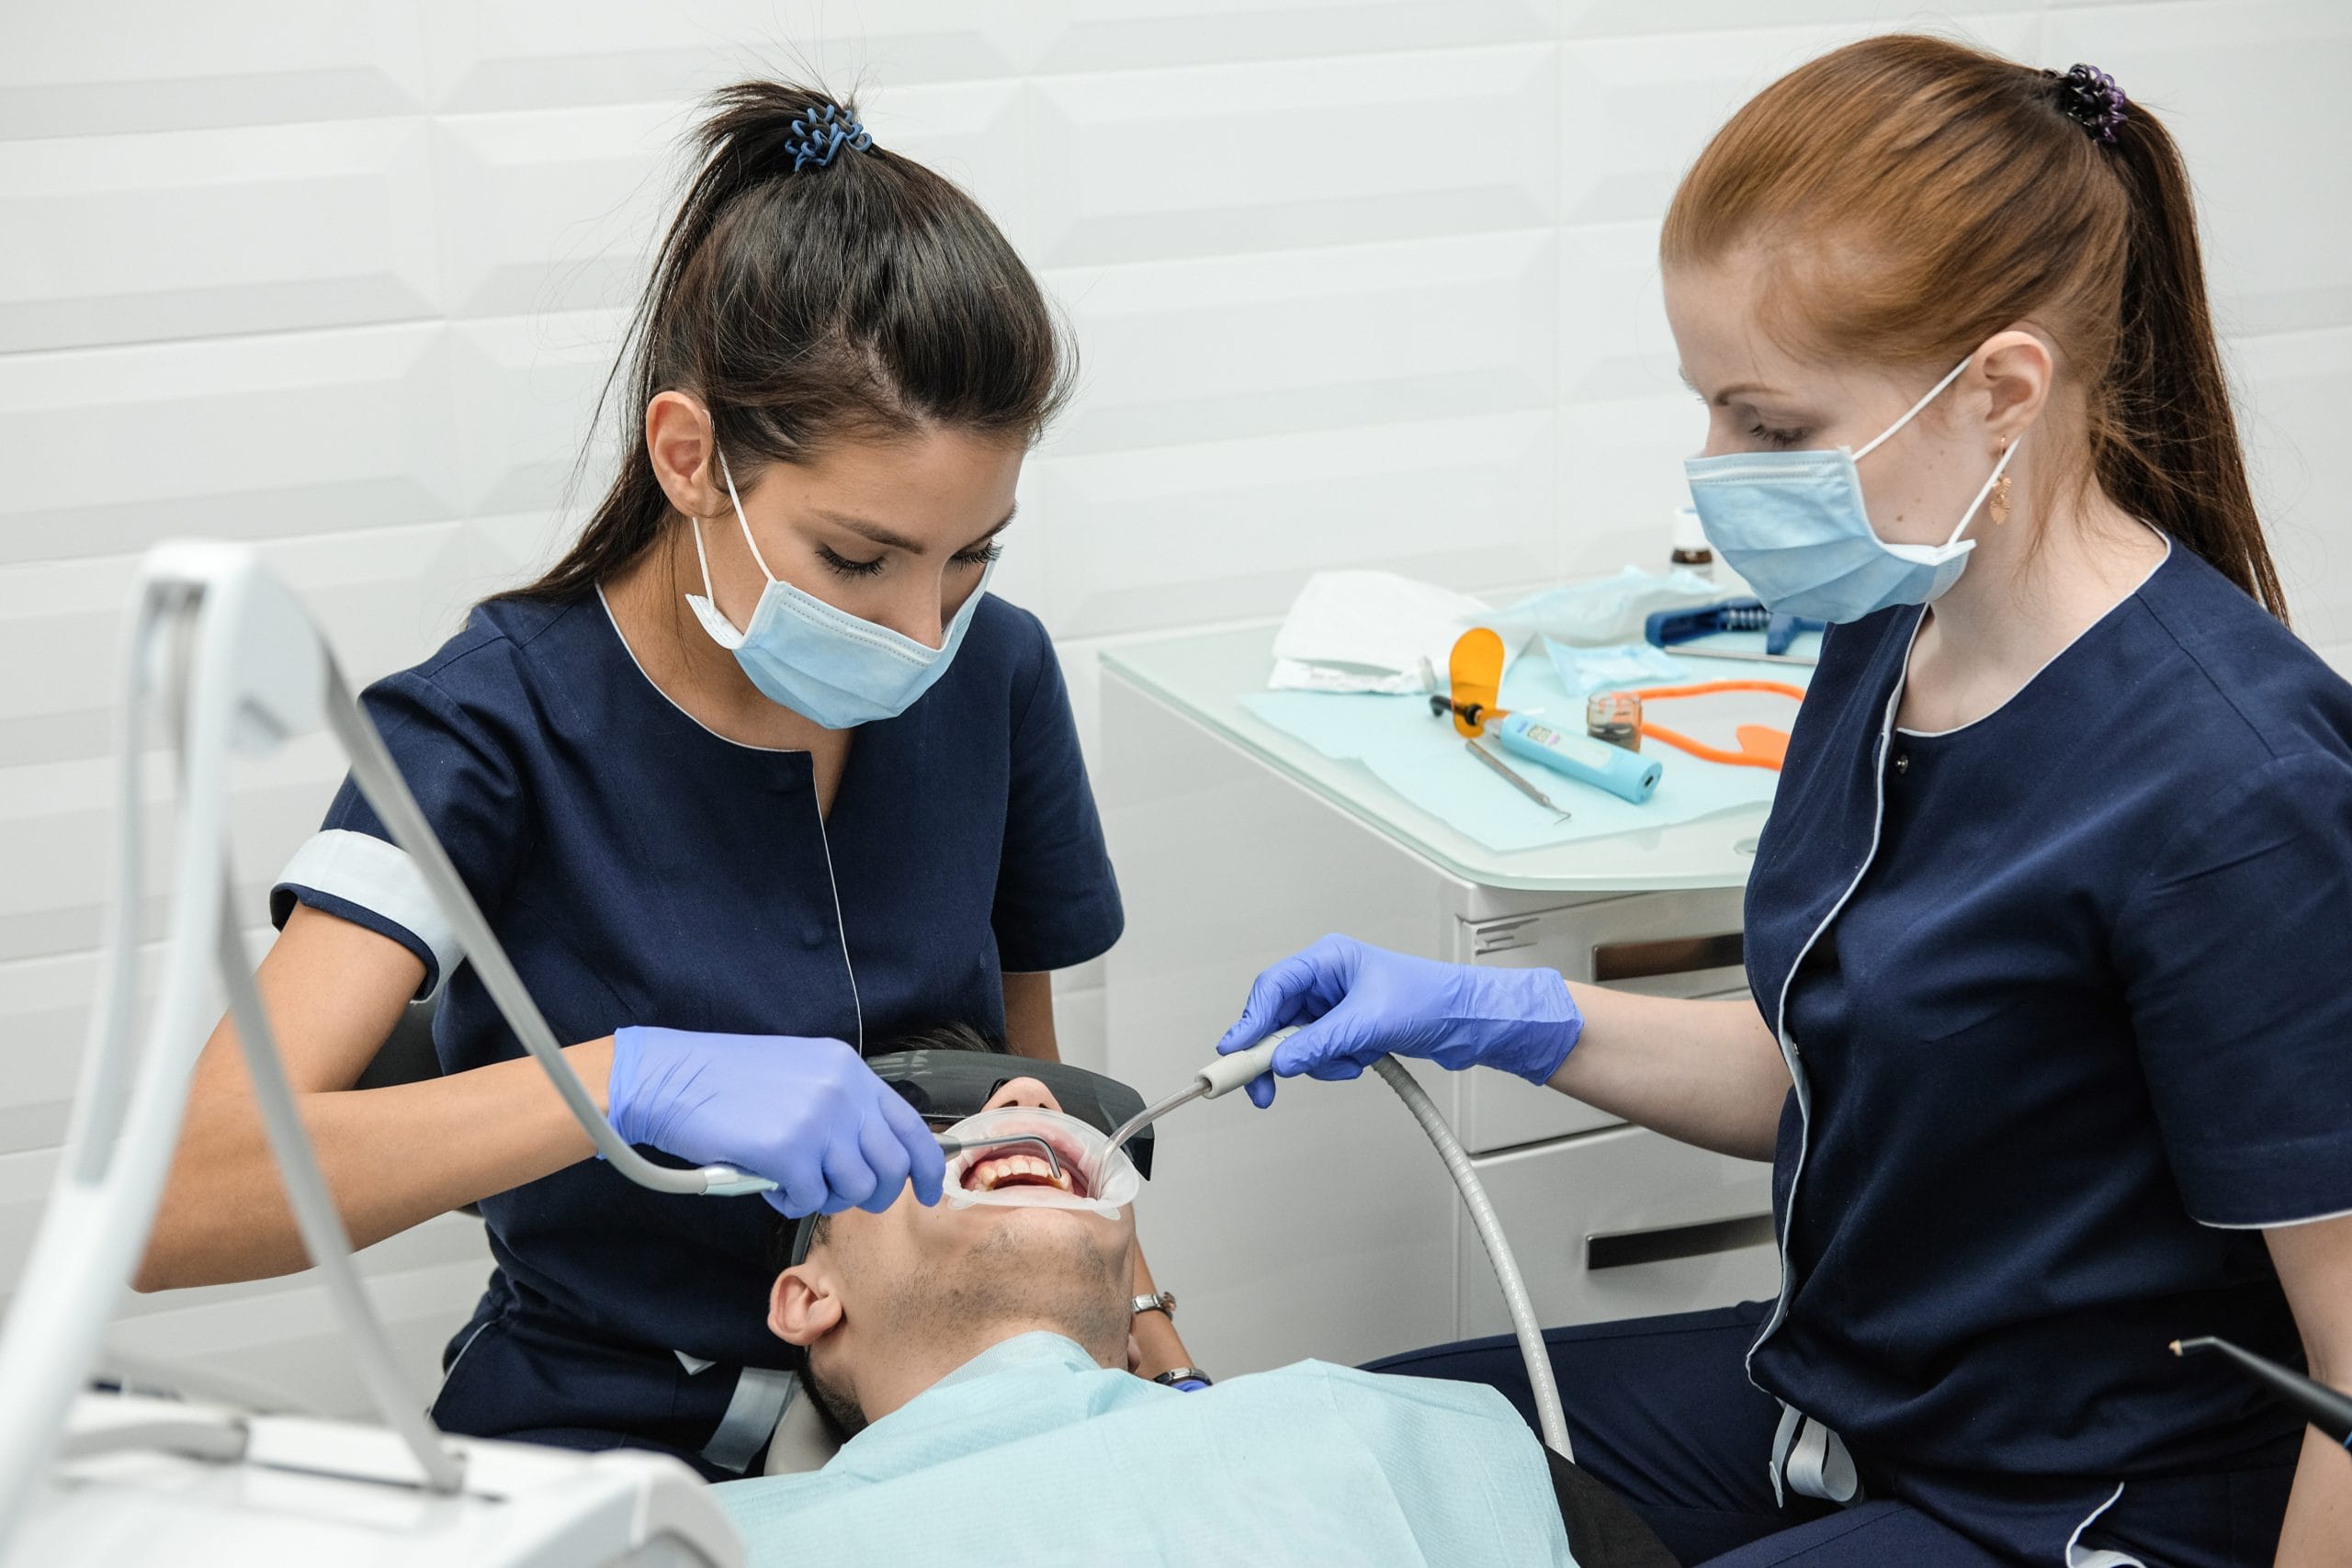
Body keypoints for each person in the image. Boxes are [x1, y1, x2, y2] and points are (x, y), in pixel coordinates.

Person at [1216, 37, 2352, 1567]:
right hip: (1838, 1393)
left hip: (2081, 1508)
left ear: (2002, 392)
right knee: (1307, 1464)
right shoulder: (1896, 625)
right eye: (1709, 409)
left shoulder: (2236, 792)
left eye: (1771, 425)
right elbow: (1827, 1065)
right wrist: (1495, 1013)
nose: (1716, 470)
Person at [133, 79, 1201, 1479]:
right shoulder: (485, 730)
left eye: (974, 553)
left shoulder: (992, 674)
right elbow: (181, 1197)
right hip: (597, 1428)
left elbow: (1034, 1098)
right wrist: (622, 1079)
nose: (924, 630)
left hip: (954, 1417)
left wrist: (1160, 1351)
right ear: (691, 458)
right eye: (861, 560)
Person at [717, 1036, 1674, 1567]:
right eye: (916, 1128)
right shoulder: (687, 1548)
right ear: (809, 1298)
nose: (1025, 1096)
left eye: (1053, 1112)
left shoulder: (1408, 1433)